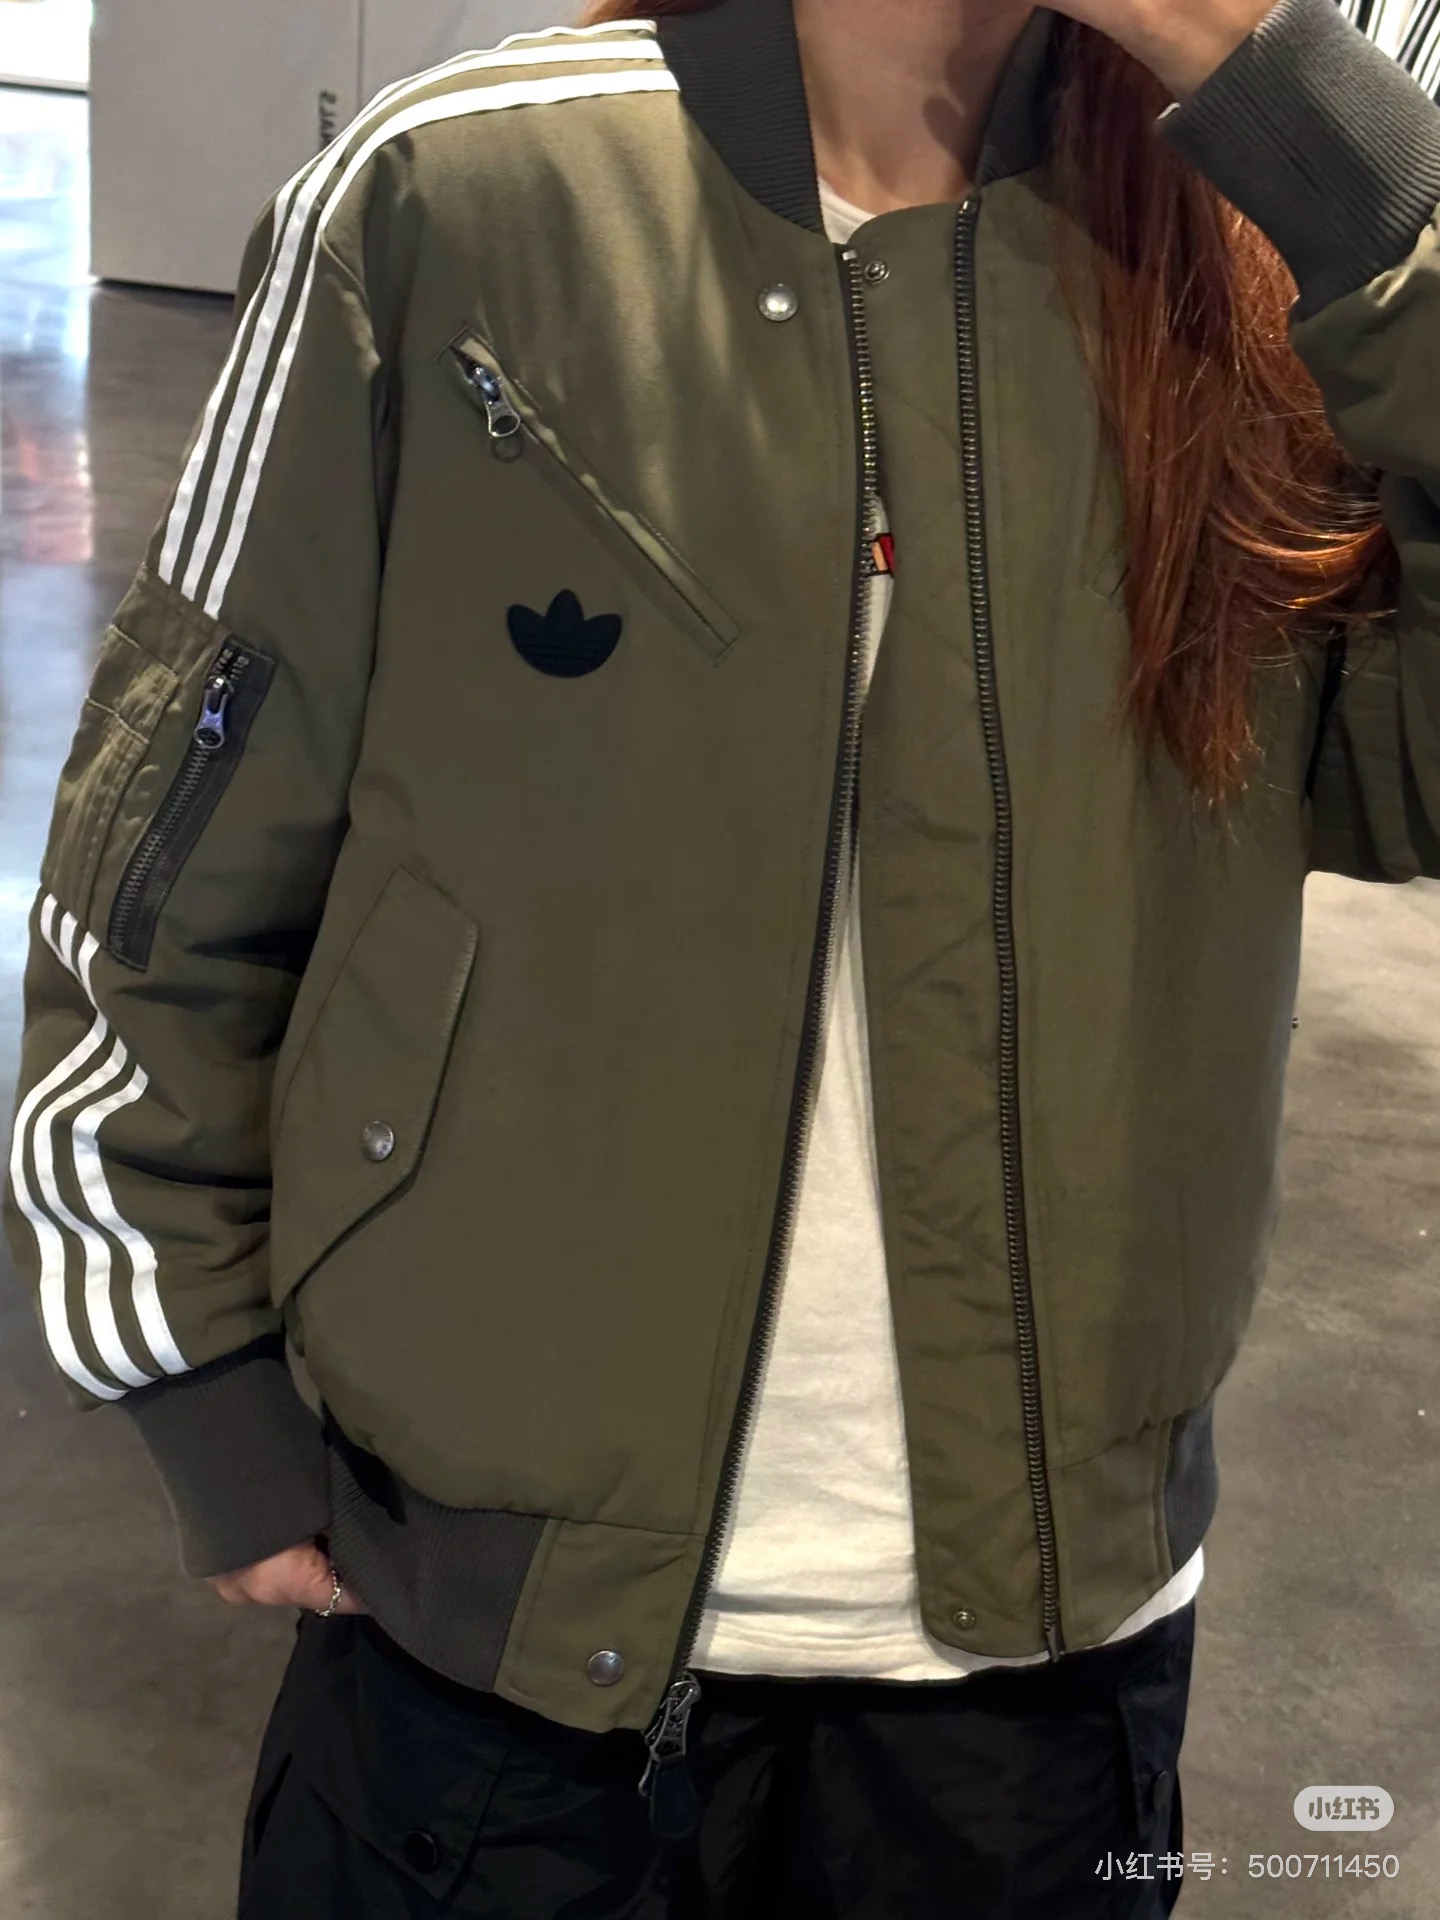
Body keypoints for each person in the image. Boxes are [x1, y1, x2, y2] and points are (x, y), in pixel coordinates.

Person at [6, 0, 1440, 1912]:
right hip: (491, 1658)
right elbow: (176, 837)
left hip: (1040, 1668)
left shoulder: (1250, 261)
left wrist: (1316, 121)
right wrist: (194, 1376)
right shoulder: (459, 195)